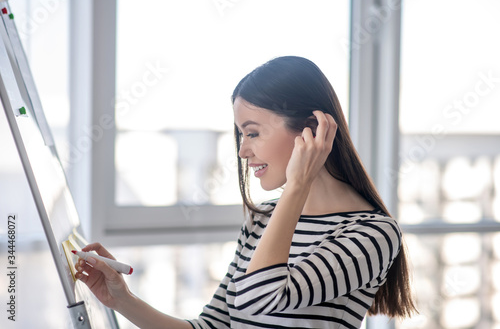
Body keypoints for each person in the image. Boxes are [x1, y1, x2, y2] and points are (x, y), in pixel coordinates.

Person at [75, 56, 417, 328]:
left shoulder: (372, 233)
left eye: (252, 133)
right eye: (241, 135)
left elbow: (260, 297)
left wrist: (297, 186)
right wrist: (122, 300)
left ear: (310, 131)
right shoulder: (263, 219)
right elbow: (213, 326)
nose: (242, 151)